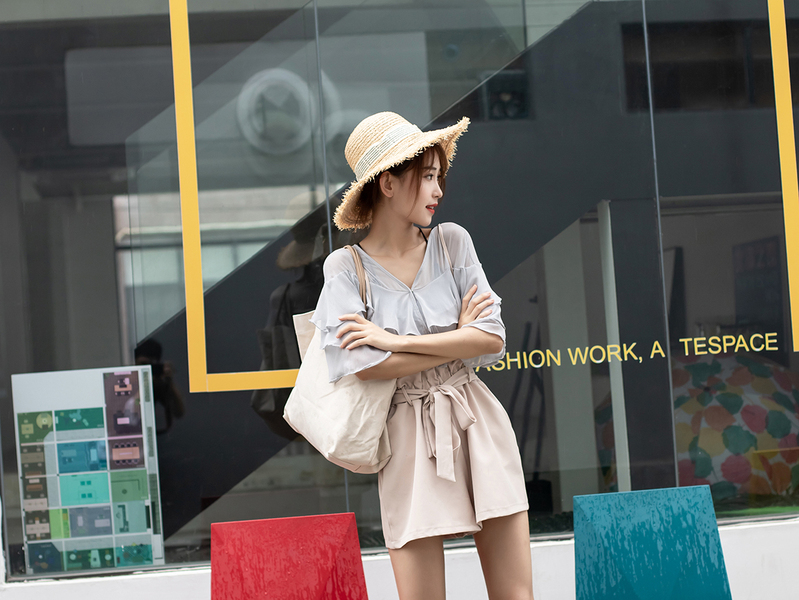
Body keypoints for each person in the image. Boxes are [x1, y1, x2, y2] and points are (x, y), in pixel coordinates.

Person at [311, 112, 534, 600]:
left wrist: (393, 342)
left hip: (476, 420)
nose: (438, 190)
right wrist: (456, 337)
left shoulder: (452, 242)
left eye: (438, 177)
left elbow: (491, 337)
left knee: (516, 595)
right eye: (427, 177)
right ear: (388, 183)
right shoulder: (345, 268)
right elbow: (365, 367)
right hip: (405, 437)